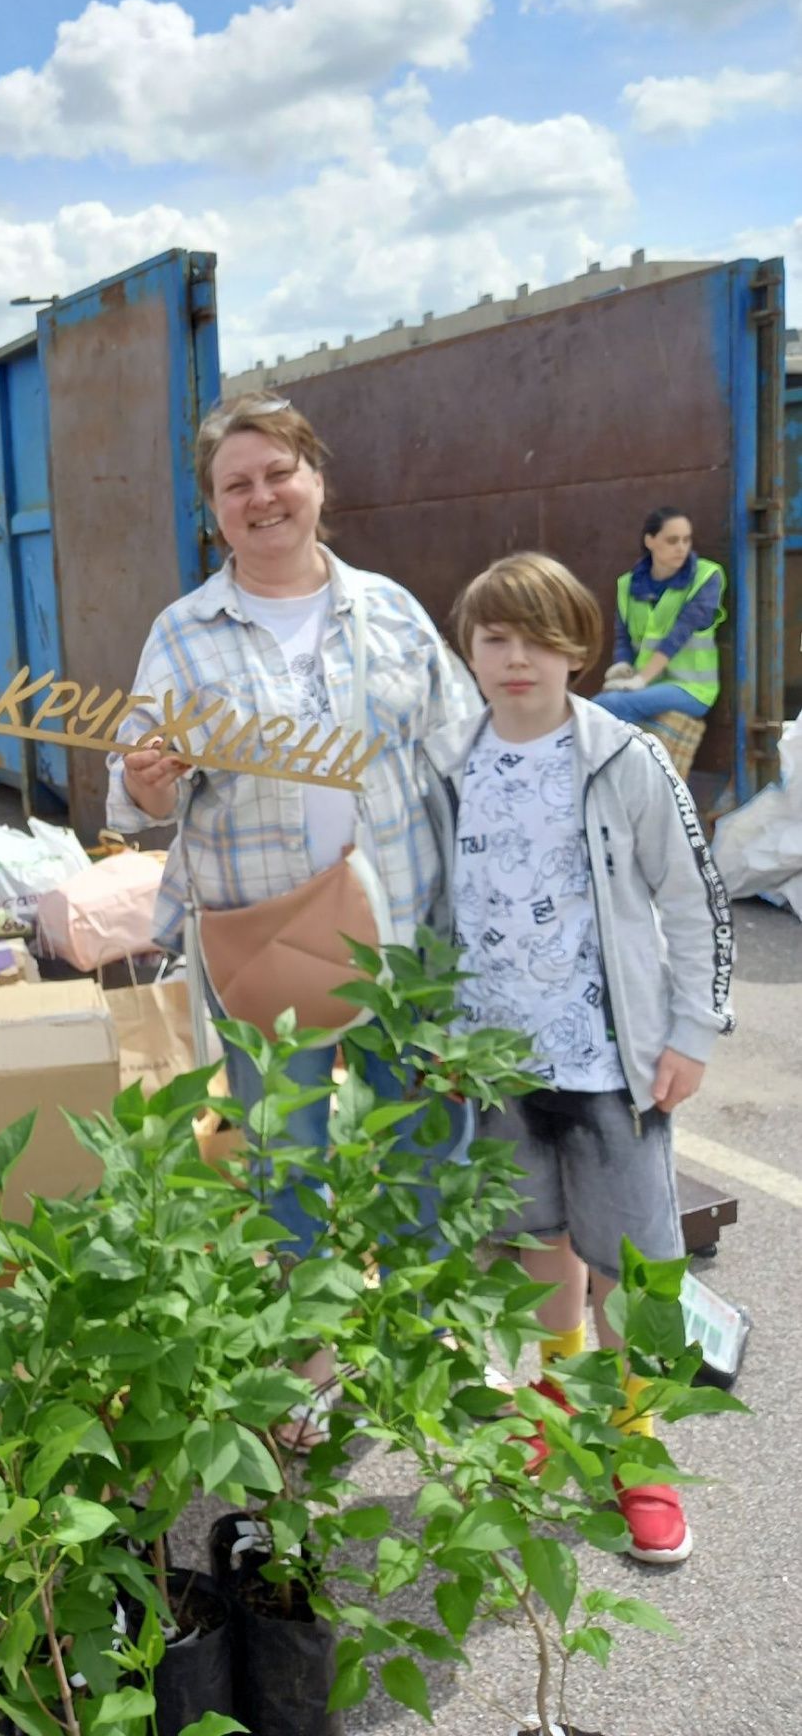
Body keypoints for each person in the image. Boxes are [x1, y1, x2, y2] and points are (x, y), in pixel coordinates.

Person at [106, 392, 481, 1256]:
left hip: (404, 936)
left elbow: (463, 752)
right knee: (289, 1157)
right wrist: (147, 776)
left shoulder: (392, 611)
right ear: (215, 513)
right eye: (237, 485)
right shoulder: (184, 633)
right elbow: (136, 801)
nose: (263, 497)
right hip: (267, 944)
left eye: (281, 472)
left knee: (424, 1146)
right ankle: (308, 1369)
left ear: (317, 480)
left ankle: (419, 1345)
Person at [424, 551, 734, 1564]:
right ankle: (556, 1396)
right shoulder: (448, 759)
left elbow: (693, 895)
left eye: (540, 637)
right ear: (468, 651)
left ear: (580, 648)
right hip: (492, 1063)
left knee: (630, 1262)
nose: (516, 657)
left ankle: (635, 1443)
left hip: (611, 1062)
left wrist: (692, 1030)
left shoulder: (624, 758)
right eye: (494, 637)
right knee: (535, 1240)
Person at [592, 506, 725, 727]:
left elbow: (679, 635)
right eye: (672, 541)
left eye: (686, 540)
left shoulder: (706, 577)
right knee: (599, 708)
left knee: (604, 707)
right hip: (646, 684)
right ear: (650, 541)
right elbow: (623, 637)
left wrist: (641, 679)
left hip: (691, 688)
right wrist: (622, 664)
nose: (681, 548)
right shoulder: (627, 585)